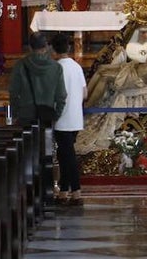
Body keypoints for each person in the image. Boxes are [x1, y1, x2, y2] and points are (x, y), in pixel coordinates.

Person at [75, 24, 147, 155]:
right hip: (132, 68)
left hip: (136, 79)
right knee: (101, 69)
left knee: (105, 77)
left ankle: (88, 107)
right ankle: (85, 97)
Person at [50, 32, 85, 208]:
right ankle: (64, 191)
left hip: (62, 118)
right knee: (65, 155)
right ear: (69, 48)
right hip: (76, 116)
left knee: (67, 156)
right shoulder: (76, 67)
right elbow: (85, 93)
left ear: (53, 50)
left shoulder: (56, 68)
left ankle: (77, 192)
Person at [9, 32, 66, 127]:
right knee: (45, 141)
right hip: (47, 115)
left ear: (30, 47)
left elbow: (13, 93)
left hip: (25, 114)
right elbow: (61, 95)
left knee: (25, 141)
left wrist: (15, 114)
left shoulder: (20, 65)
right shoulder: (56, 67)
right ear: (47, 46)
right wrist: (56, 115)